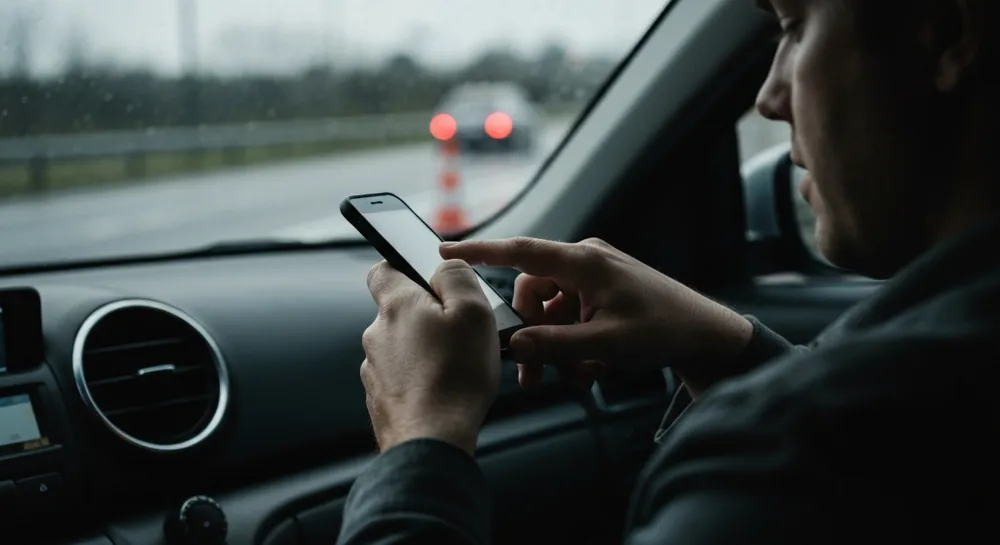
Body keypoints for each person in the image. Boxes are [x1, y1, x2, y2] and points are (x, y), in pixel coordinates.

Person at [339, 0, 999, 543]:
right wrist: (726, 349)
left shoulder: (789, 471)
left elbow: (839, 444)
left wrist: (419, 443)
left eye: (796, 28)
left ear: (946, 34)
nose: (769, 97)